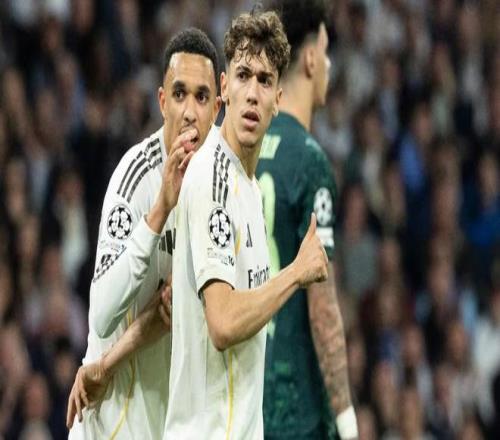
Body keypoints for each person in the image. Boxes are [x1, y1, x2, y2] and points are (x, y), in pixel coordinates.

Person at [163, 9, 329, 440]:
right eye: (243, 76)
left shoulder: (249, 189)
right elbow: (222, 322)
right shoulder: (213, 177)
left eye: (265, 80)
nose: (253, 93)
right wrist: (295, 273)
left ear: (278, 99)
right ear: (224, 88)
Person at [67, 28, 222, 439]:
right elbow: (101, 315)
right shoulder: (135, 177)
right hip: (111, 420)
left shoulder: (221, 192)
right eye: (179, 94)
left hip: (167, 422)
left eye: (202, 97)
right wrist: (159, 212)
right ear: (162, 102)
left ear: (217, 109)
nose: (189, 111)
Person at [256, 1, 358, 438]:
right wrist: (346, 416)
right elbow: (322, 307)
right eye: (327, 52)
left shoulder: (243, 147)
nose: (330, 66)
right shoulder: (310, 161)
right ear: (311, 58)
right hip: (296, 407)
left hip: (245, 400)